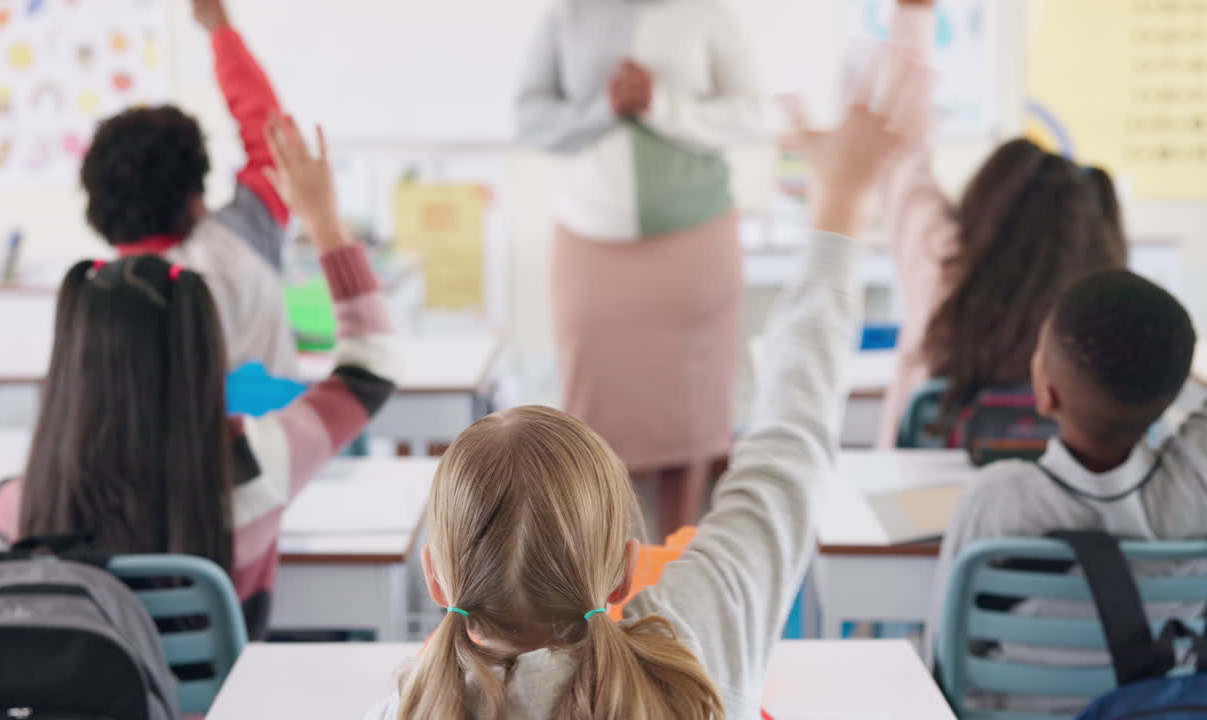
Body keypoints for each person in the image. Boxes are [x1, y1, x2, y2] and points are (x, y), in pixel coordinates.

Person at [368, 59, 928, 720]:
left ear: (436, 577)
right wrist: (841, 201)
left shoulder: (412, 708)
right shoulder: (695, 645)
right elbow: (790, 449)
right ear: (628, 572)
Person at [0, 117, 396, 640]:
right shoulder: (255, 465)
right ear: (203, 351)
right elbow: (372, 366)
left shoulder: (32, 502)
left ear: (71, 368)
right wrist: (324, 220)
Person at [789, 0, 1128, 447]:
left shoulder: (943, 262)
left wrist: (914, 13)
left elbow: (903, 150)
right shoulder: (1102, 305)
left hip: (913, 492)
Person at [516, 0, 769, 536]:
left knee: (691, 424)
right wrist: (602, 110)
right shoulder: (568, 15)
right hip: (591, 239)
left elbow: (750, 112)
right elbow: (530, 118)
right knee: (594, 425)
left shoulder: (708, 13)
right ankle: (602, 581)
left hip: (693, 242)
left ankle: (680, 573)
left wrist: (661, 103)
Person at [928, 269, 1201, 713]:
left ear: (1046, 394)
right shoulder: (1196, 486)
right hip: (1154, 710)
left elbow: (944, 651)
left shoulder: (996, 498)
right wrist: (1158, 378)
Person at [79, 0, 298, 377]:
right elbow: (271, 136)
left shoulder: (101, 297)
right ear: (195, 200)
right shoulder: (240, 241)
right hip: (279, 433)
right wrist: (220, 30)